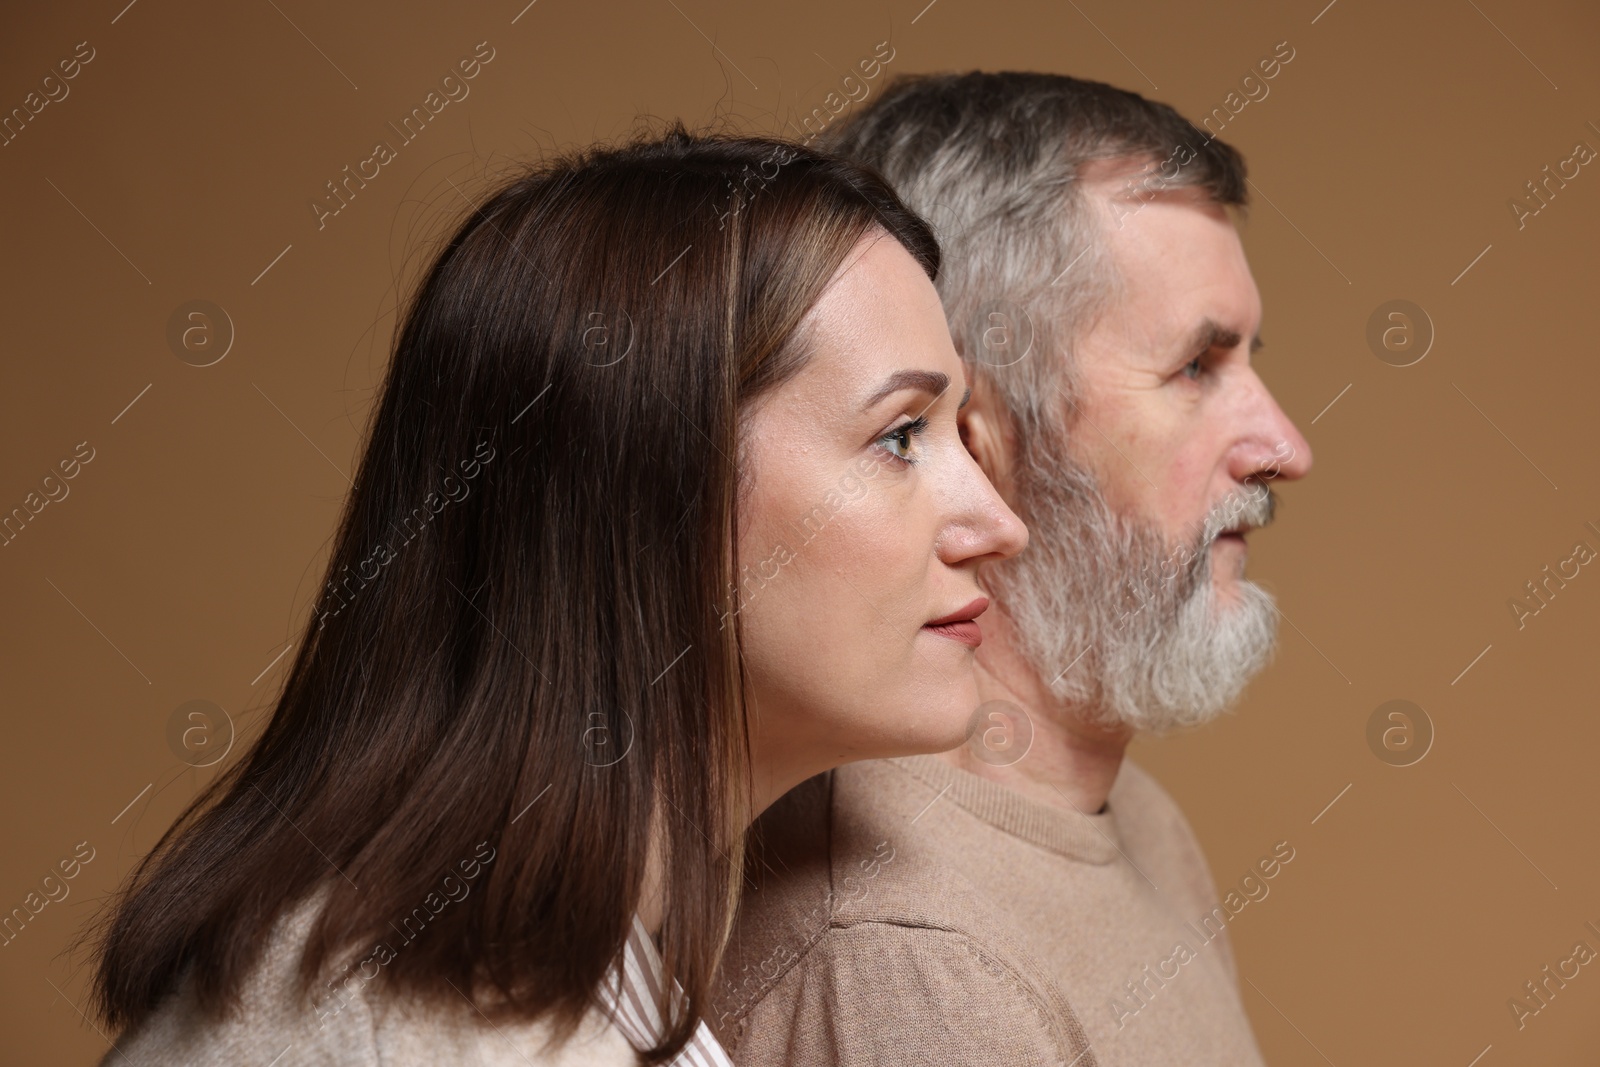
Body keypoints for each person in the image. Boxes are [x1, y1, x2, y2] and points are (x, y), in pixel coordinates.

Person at [80, 125, 1027, 1067]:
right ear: (652, 492)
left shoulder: (547, 967)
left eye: (959, 434)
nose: (998, 523)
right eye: (900, 435)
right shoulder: (455, 1023)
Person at [711, 73, 1314, 1066]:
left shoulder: (1135, 823)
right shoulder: (905, 959)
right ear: (976, 434)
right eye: (1196, 368)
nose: (1285, 446)